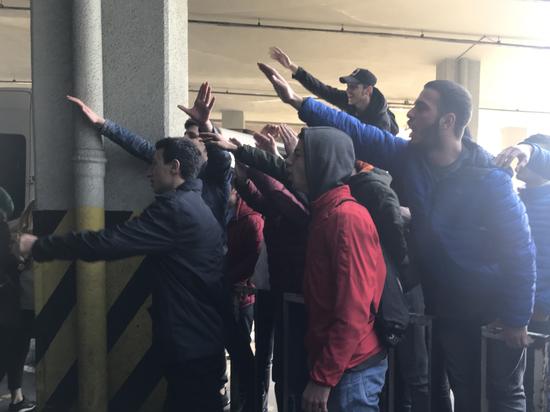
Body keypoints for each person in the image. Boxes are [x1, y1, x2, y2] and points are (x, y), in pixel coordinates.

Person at [257, 62, 536, 412]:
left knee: (504, 397)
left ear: (447, 121)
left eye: (422, 108)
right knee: (466, 394)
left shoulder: (489, 177)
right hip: (449, 305)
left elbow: (519, 250)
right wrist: (298, 101)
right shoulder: (411, 158)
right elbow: (359, 132)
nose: (410, 115)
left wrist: (516, 317)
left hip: (492, 309)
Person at [17, 138, 227, 412]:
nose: (148, 172)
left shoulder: (175, 210)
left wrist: (40, 245)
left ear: (175, 167)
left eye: (154, 164)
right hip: (202, 340)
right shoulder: (198, 204)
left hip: (189, 344)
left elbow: (109, 242)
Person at [287, 127, 387, 412]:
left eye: (298, 155)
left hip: (350, 371)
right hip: (340, 365)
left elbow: (353, 310)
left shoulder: (346, 218)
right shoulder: (325, 211)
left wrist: (324, 377)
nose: (289, 162)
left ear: (322, 162)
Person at [66, 81, 232, 228]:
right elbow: (138, 145)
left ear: (207, 142)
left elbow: (222, 159)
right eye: (185, 134)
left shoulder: (217, 175)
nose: (184, 138)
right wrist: (102, 123)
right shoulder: (174, 165)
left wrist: (205, 125)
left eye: (192, 136)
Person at [270, 47, 399, 134]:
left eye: (353, 87)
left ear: (367, 90)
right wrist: (292, 67)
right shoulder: (350, 100)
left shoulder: (380, 124)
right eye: (348, 86)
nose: (348, 91)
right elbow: (322, 89)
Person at [0, 188, 36, 412]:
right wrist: (20, 266)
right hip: (17, 302)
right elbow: (6, 261)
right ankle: (17, 398)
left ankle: (17, 397)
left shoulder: (13, 231)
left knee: (12, 349)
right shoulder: (5, 230)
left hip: (14, 303)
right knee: (12, 350)